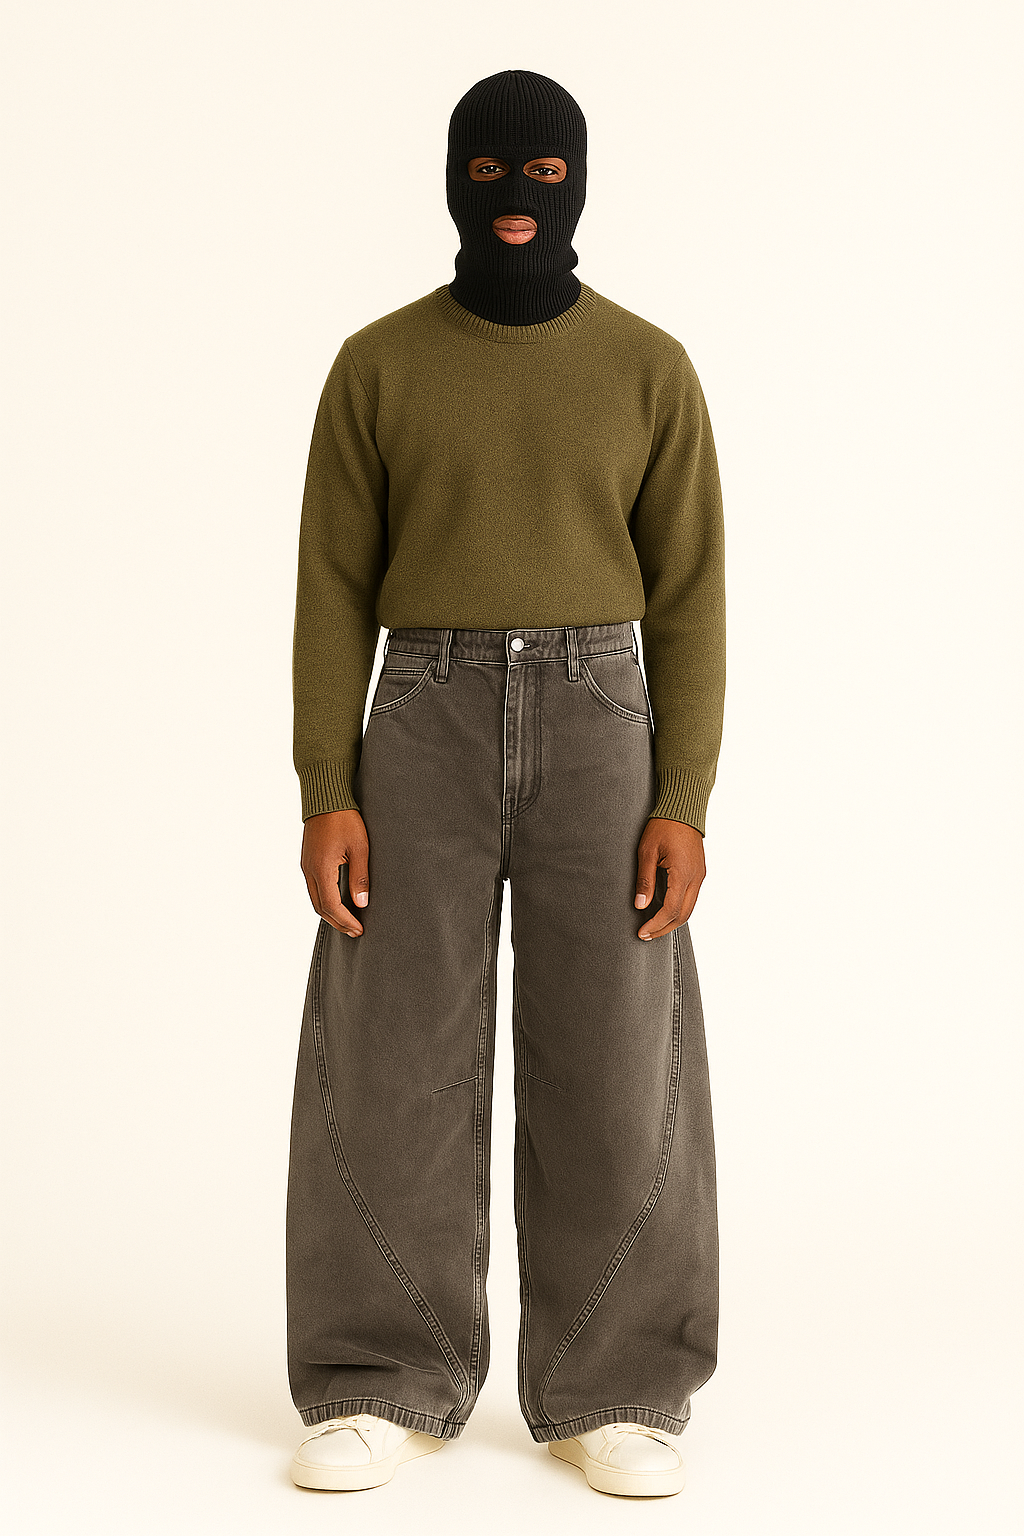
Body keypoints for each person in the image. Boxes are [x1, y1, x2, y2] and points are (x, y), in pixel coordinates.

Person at [285, 68, 726, 1500]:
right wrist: (326, 784)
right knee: (392, 1042)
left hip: (605, 715)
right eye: (488, 172)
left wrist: (684, 801)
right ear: (451, 180)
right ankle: (377, 1377)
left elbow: (692, 597)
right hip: (422, 710)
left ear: (579, 182)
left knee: (616, 1043)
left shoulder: (650, 367)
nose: (516, 201)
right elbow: (333, 584)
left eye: (543, 174)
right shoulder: (378, 365)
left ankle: (619, 1386)